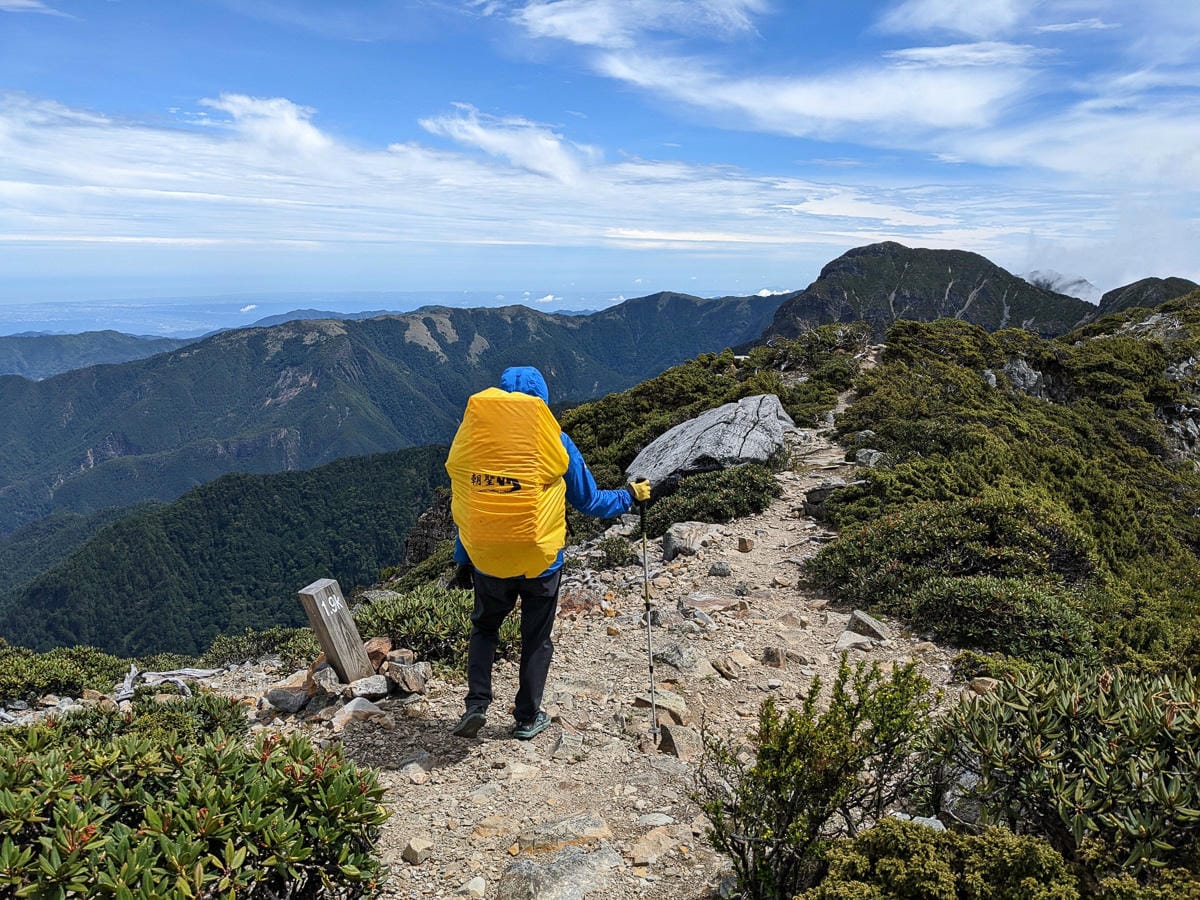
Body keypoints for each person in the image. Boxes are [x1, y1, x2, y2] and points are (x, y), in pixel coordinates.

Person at [445, 365, 651, 740]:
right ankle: (526, 719)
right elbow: (590, 502)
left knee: (485, 628)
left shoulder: (473, 443)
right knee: (536, 638)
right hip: (541, 560)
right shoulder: (555, 440)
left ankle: (476, 704)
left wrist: (463, 560)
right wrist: (630, 496)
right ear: (541, 401)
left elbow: (468, 506)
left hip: (488, 559)